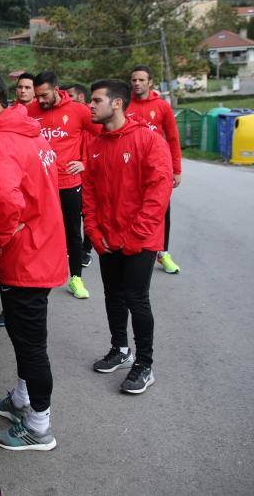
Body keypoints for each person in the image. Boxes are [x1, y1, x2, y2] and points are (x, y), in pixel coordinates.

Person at [0, 67, 68, 451]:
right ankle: (23, 397)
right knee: (26, 336)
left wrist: (1, 240)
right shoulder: (30, 132)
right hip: (40, 249)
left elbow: (6, 201)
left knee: (31, 342)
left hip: (26, 256)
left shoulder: (3, 140)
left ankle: (39, 425)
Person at [84, 80, 173, 394]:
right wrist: (94, 232)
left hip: (140, 239)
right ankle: (120, 349)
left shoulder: (148, 140)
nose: (90, 107)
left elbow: (158, 192)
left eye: (96, 101)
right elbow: (90, 194)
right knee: (113, 296)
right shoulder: (95, 145)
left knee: (137, 299)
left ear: (117, 103)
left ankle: (144, 364)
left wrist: (136, 236)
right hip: (108, 240)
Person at [28, 71, 99, 300]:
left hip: (69, 183)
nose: (40, 100)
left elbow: (102, 136)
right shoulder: (30, 111)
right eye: (37, 96)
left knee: (72, 233)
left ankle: (76, 278)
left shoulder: (78, 111)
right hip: (40, 184)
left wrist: (85, 163)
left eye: (44, 95)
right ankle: (39, 279)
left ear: (57, 89)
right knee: (40, 233)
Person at [127, 65, 182, 274]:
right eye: (134, 80)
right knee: (132, 207)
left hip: (158, 168)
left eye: (141, 80)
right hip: (131, 166)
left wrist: (176, 170)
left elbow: (173, 138)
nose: (137, 83)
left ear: (150, 82)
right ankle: (132, 245)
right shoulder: (124, 104)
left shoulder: (162, 106)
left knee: (162, 209)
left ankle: (163, 252)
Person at [62, 82, 96, 268]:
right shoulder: (68, 117)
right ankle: (71, 250)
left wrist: (86, 163)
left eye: (71, 96)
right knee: (72, 219)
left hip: (89, 176)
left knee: (87, 214)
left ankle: (86, 250)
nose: (66, 99)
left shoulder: (89, 117)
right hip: (71, 178)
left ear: (81, 98)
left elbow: (100, 144)